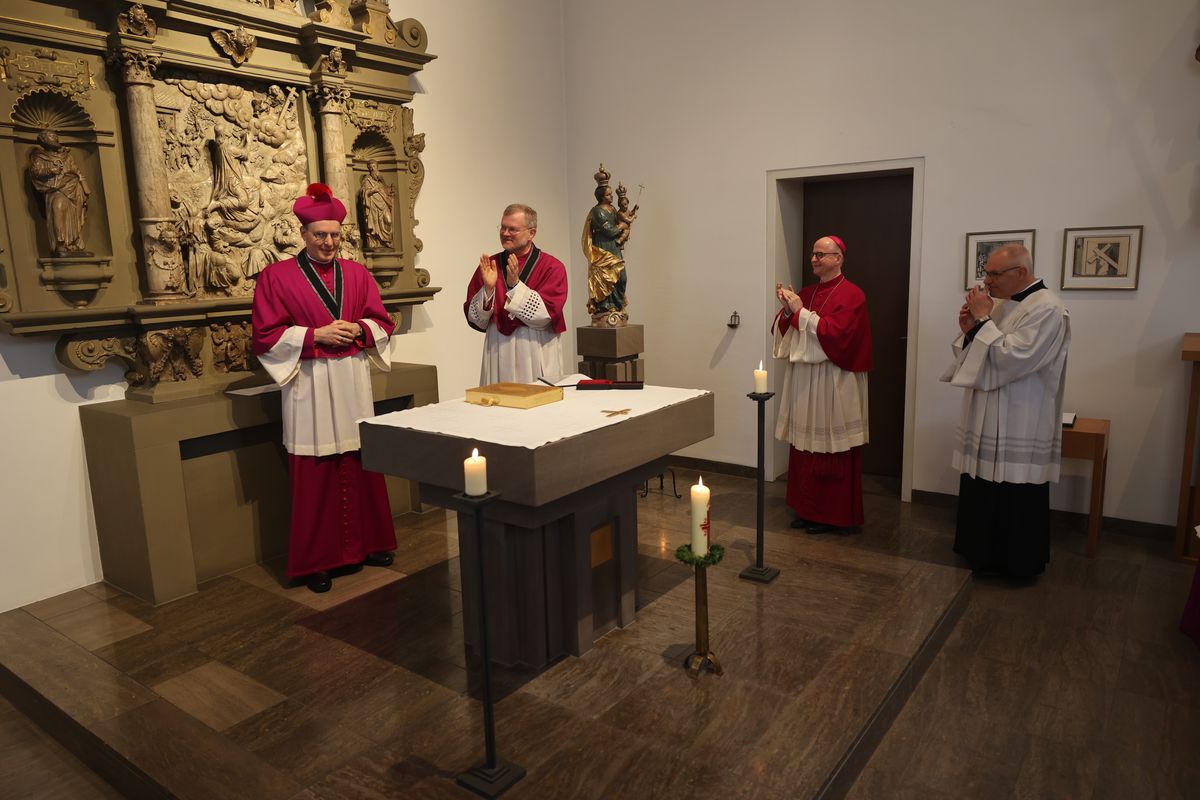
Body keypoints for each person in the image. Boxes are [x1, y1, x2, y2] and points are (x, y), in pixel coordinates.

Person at [251, 183, 397, 593]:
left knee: (360, 459)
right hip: (309, 381)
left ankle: (370, 544)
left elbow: (382, 322)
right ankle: (316, 561)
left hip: (351, 376)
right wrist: (315, 335)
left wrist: (360, 329)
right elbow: (264, 335)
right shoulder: (276, 277)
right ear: (303, 234)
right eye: (320, 235)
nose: (329, 242)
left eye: (334, 235)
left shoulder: (358, 274)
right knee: (315, 472)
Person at [941, 243, 1071, 580]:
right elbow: (984, 351)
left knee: (1014, 490)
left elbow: (1013, 358)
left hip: (1020, 414)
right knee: (981, 484)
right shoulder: (1001, 304)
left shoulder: (1048, 308)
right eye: (986, 273)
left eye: (994, 274)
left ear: (1021, 272)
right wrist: (970, 330)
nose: (987, 281)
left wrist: (983, 321)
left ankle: (1015, 565)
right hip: (987, 411)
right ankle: (979, 553)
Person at [772, 235, 872, 533]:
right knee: (806, 447)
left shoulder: (853, 295)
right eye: (813, 254)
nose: (814, 259)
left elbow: (839, 336)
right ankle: (807, 509)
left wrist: (800, 312)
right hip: (806, 382)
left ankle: (834, 515)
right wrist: (788, 310)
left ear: (838, 258)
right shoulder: (807, 292)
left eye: (821, 254)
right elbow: (788, 329)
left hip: (834, 380)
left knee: (832, 449)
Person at [463, 203, 567, 384]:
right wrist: (488, 290)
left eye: (512, 229)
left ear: (531, 233)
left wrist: (515, 286)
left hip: (535, 348)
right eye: (502, 227)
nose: (505, 233)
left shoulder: (552, 267)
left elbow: (545, 316)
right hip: (497, 347)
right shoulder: (491, 265)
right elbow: (476, 320)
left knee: (537, 398)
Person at [27, 130, 91, 257]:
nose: (55, 138)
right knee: (58, 209)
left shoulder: (67, 156)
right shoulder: (39, 156)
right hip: (55, 189)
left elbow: (76, 171)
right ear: (44, 140)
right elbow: (35, 172)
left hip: (73, 188)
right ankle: (60, 244)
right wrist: (50, 170)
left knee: (74, 215)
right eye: (51, 136)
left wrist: (84, 185)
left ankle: (73, 243)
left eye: (55, 136)